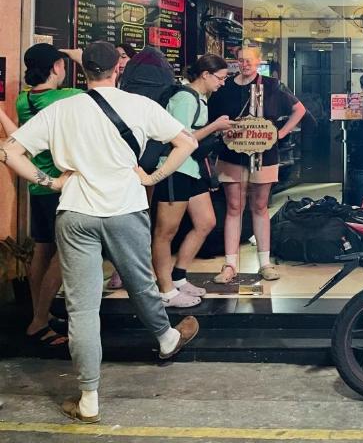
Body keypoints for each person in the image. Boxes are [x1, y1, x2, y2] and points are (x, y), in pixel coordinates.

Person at [0, 41, 199, 424]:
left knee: (82, 306)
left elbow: (9, 151)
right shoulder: (138, 106)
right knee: (141, 283)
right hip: (125, 207)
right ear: (117, 69)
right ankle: (167, 338)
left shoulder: (62, 108)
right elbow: (185, 142)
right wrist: (153, 176)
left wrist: (52, 181)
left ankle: (88, 396)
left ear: (82, 70)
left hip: (75, 211)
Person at [0, 44, 81, 350]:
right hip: (61, 185)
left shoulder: (24, 99)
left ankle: (40, 315)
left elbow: (19, 138)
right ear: (57, 66)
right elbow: (103, 85)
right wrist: (79, 56)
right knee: (67, 253)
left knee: (42, 251)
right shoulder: (68, 98)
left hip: (37, 185)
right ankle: (39, 320)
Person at [208, 46, 305, 283]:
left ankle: (265, 262)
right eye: (241, 60)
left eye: (249, 60)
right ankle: (230, 264)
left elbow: (299, 109)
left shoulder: (272, 85)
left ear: (258, 61)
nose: (244, 64)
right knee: (233, 207)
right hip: (232, 155)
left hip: (265, 154)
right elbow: (212, 118)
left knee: (260, 206)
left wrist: (281, 133)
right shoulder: (226, 87)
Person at [151, 54, 234, 308]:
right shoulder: (185, 98)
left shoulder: (200, 99)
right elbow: (181, 138)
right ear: (205, 75)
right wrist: (215, 127)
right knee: (165, 231)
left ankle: (178, 276)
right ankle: (165, 290)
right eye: (220, 78)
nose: (222, 83)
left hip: (192, 169)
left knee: (206, 221)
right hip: (175, 169)